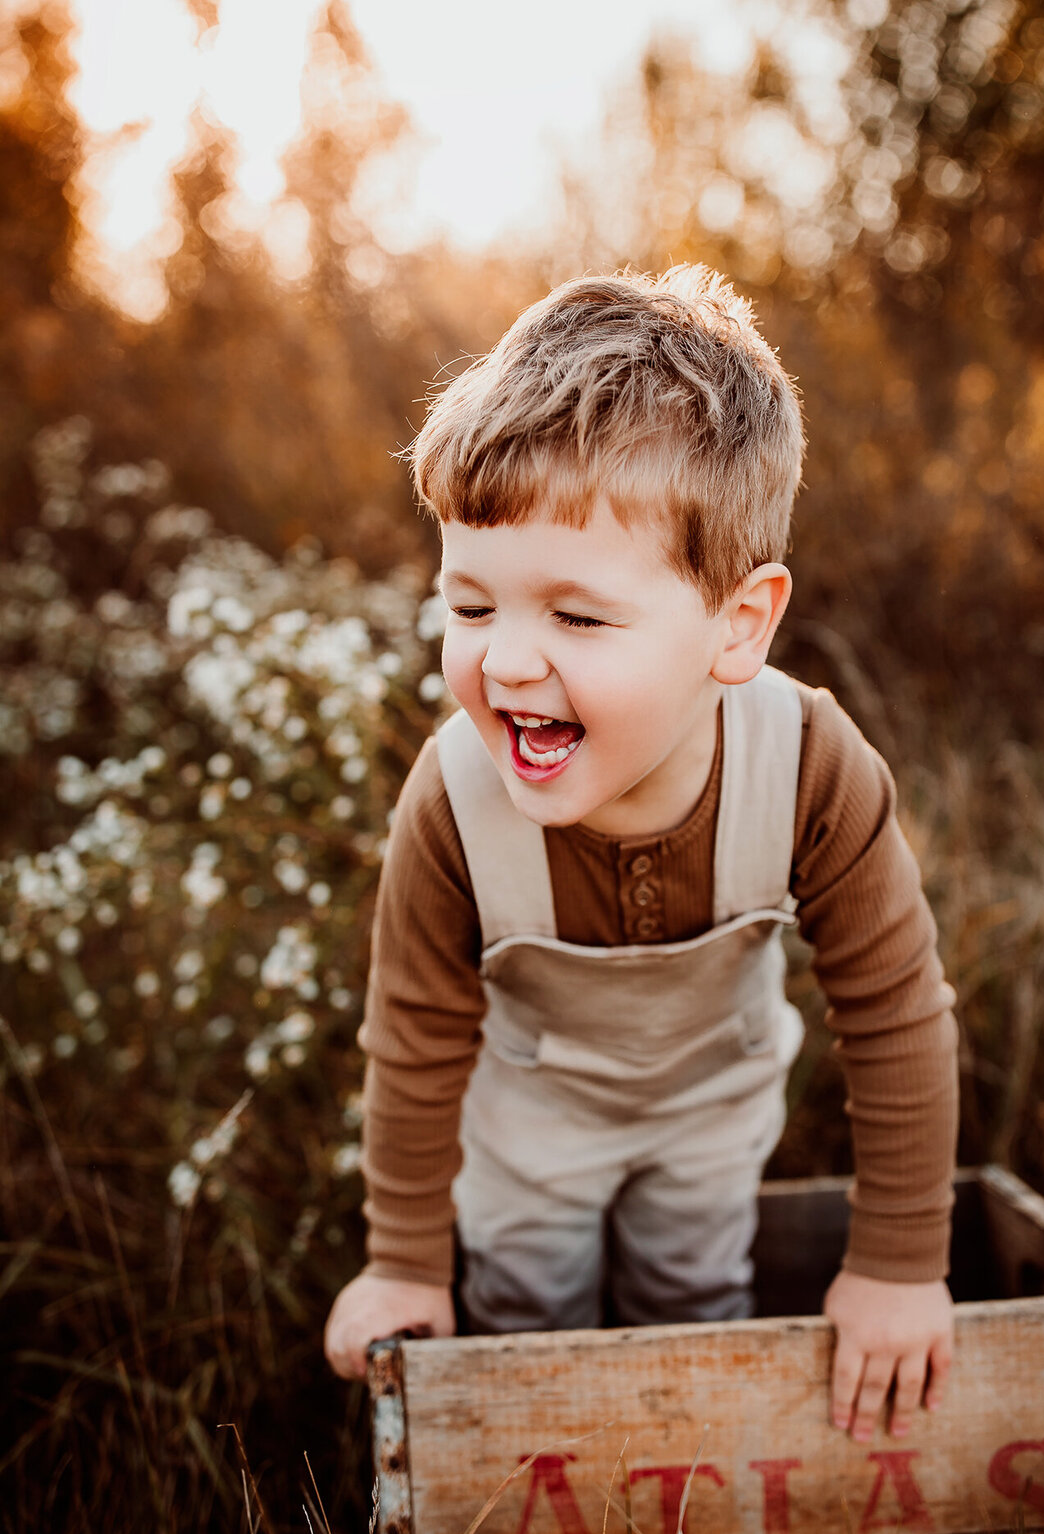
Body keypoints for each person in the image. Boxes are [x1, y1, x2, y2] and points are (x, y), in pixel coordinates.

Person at [324, 266, 957, 1445]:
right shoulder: (454, 799)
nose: (508, 663)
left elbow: (897, 1014)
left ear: (738, 625)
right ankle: (539, 1531)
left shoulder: (810, 766)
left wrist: (900, 1264)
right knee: (524, 1325)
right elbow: (413, 1034)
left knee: (693, 1306)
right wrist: (407, 1263)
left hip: (711, 1109)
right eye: (472, 608)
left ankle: (682, 1510)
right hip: (532, 1123)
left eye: (576, 617)